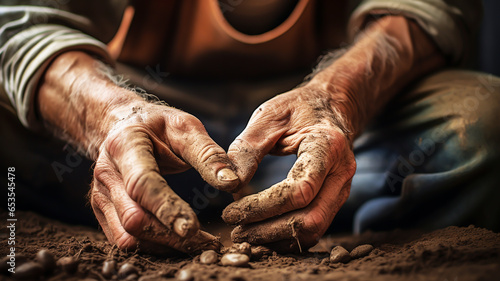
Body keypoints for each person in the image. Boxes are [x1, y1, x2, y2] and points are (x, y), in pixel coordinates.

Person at [1, 0, 499, 254]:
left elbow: (432, 10)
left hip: (339, 108)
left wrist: (335, 100)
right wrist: (108, 117)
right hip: (132, 104)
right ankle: (125, 179)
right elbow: (17, 23)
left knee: (483, 124)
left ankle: (320, 196)